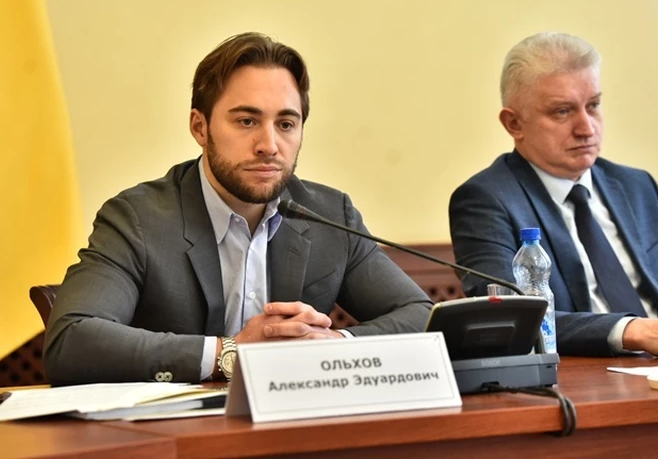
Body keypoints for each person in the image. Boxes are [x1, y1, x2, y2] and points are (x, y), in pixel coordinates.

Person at [44, 32, 433, 385]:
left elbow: (421, 315)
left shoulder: (330, 215)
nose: (269, 145)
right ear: (200, 127)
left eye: (286, 124)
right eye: (247, 121)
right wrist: (228, 354)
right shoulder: (138, 219)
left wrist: (334, 345)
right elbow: (71, 340)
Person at [449, 32, 658, 359]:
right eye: (562, 111)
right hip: (583, 376)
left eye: (593, 106)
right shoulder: (485, 201)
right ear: (514, 124)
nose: (587, 128)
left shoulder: (637, 187)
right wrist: (635, 331)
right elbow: (510, 320)